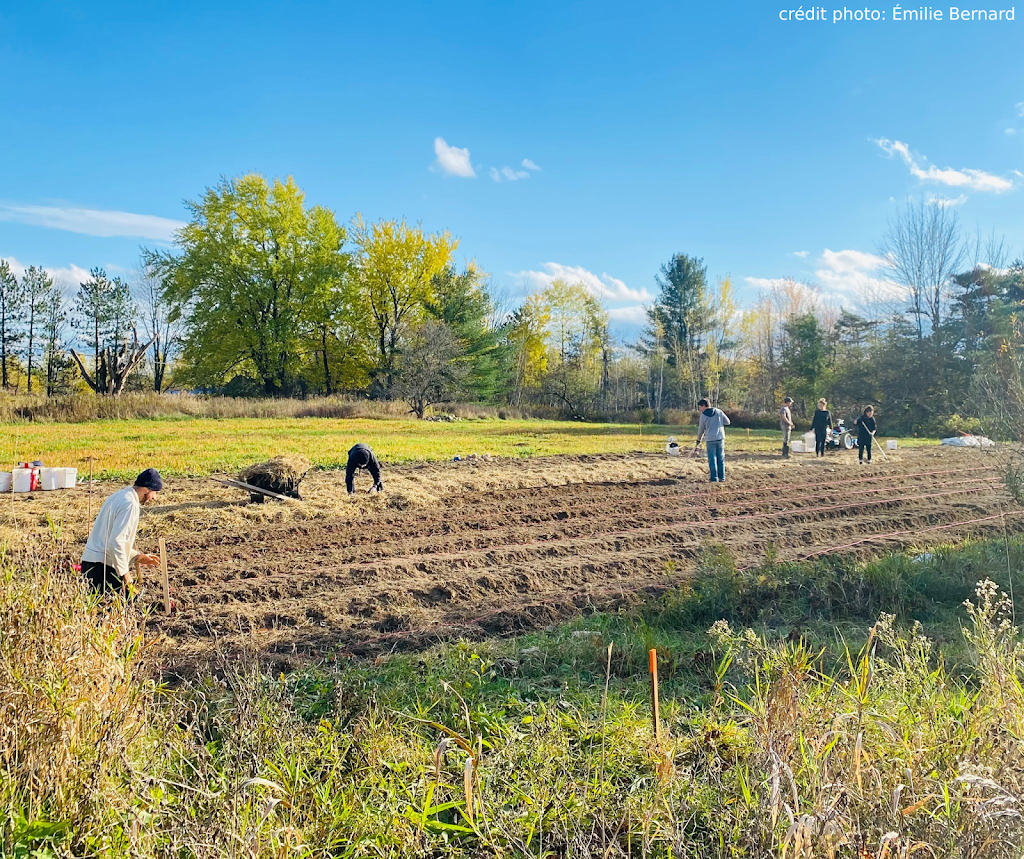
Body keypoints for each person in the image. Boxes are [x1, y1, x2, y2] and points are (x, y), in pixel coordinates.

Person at [80, 468, 162, 595]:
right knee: (125, 606)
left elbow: (107, 538)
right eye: (154, 493)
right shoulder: (130, 504)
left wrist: (136, 556)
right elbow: (116, 542)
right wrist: (125, 575)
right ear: (146, 489)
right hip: (103, 568)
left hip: (90, 563)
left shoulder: (118, 496)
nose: (154, 498)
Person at [695, 398, 731, 483]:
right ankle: (722, 477)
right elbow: (728, 422)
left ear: (704, 406)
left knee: (712, 459)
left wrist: (698, 439)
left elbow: (701, 429)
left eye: (700, 407)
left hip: (710, 439)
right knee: (721, 458)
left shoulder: (703, 415)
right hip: (720, 438)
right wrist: (718, 423)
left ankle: (714, 478)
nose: (700, 409)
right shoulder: (719, 411)